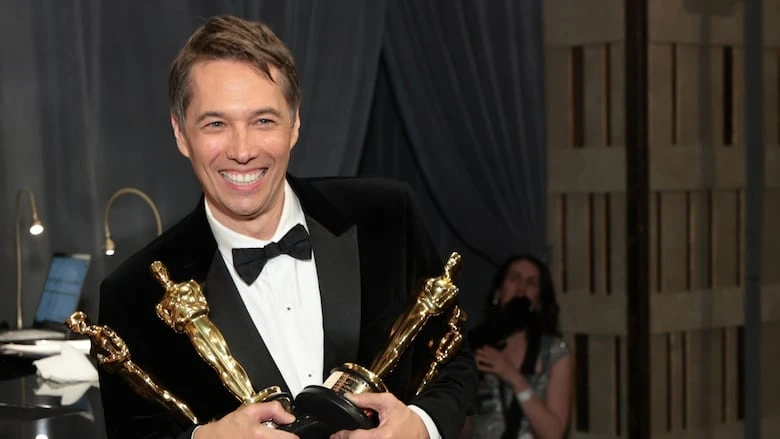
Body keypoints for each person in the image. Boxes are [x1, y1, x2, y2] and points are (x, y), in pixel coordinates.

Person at [96, 14, 477, 439]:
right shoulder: (133, 295)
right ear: (181, 133)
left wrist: (420, 426)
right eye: (216, 123)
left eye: (263, 120)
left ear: (294, 124)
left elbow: (454, 361)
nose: (242, 150)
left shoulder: (387, 216)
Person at [461, 255, 572, 439]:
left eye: (531, 283)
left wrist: (513, 376)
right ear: (498, 292)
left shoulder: (554, 352)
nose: (522, 289)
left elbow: (554, 434)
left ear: (540, 300)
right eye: (514, 279)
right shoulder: (476, 344)